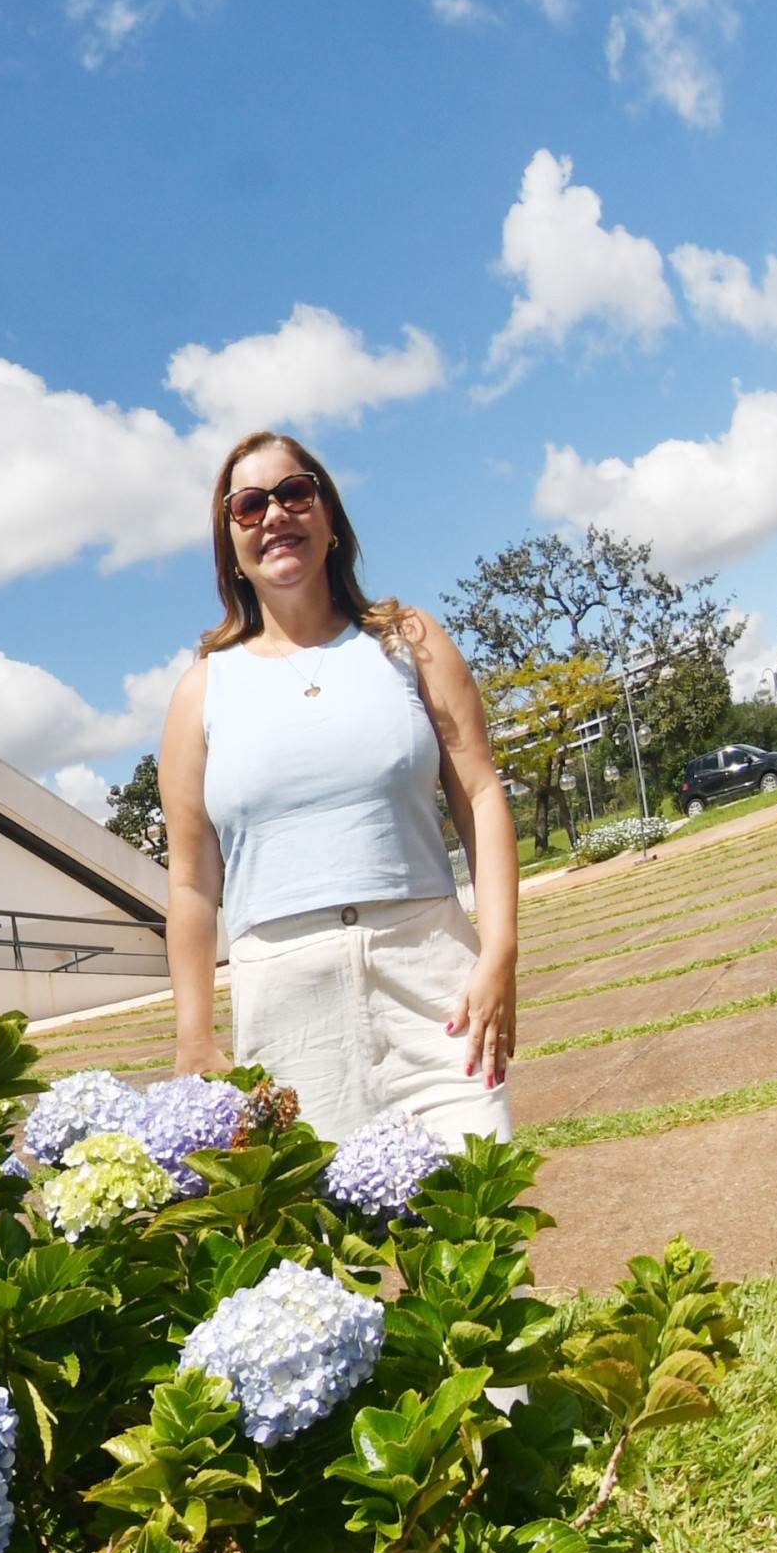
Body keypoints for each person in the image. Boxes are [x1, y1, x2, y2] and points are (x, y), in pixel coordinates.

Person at [156, 430, 517, 1148]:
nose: (275, 515)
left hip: (433, 985)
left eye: (294, 493)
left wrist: (499, 951)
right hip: (288, 1010)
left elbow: (480, 794)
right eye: (249, 504)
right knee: (322, 1254)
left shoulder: (407, 641)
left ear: (329, 519)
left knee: (480, 1229)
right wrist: (194, 1037)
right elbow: (193, 882)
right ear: (229, 546)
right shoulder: (201, 692)